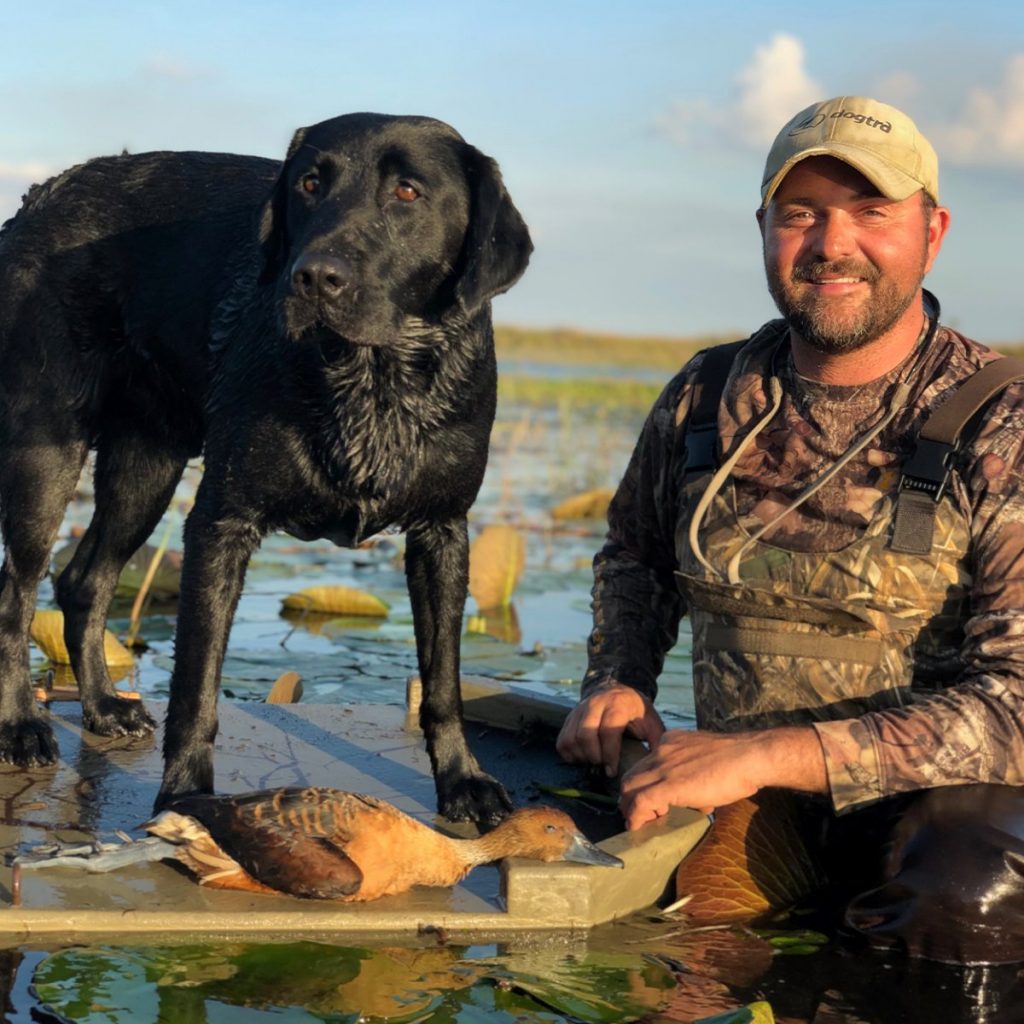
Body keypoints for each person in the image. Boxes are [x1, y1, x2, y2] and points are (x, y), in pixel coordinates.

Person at [557, 95, 1024, 964]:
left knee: (967, 884)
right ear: (764, 229)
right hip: (742, 796)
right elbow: (636, 557)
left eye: (871, 212)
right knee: (679, 954)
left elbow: (1017, 710)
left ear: (932, 232)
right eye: (801, 213)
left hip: (928, 826)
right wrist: (617, 679)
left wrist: (768, 755)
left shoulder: (1001, 420)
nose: (832, 244)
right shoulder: (706, 393)